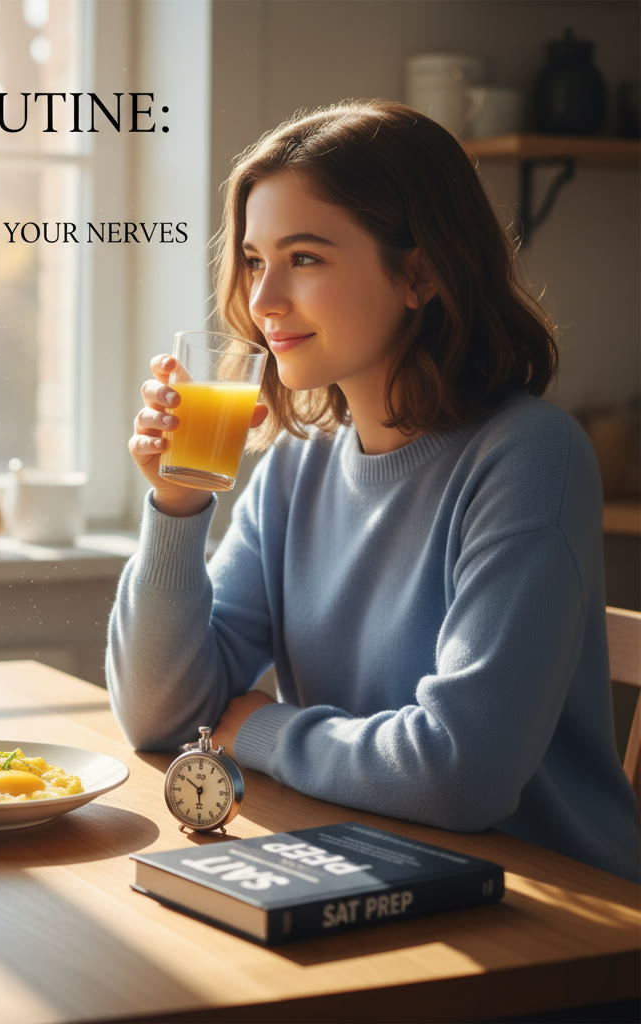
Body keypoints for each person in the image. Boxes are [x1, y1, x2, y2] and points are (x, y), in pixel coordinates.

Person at [105, 98, 639, 881]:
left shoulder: (528, 456)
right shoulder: (297, 467)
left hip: (548, 912)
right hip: (364, 859)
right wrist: (177, 505)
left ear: (419, 272)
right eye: (255, 261)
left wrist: (261, 728)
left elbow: (460, 773)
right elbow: (159, 714)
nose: (263, 302)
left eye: (306, 258)